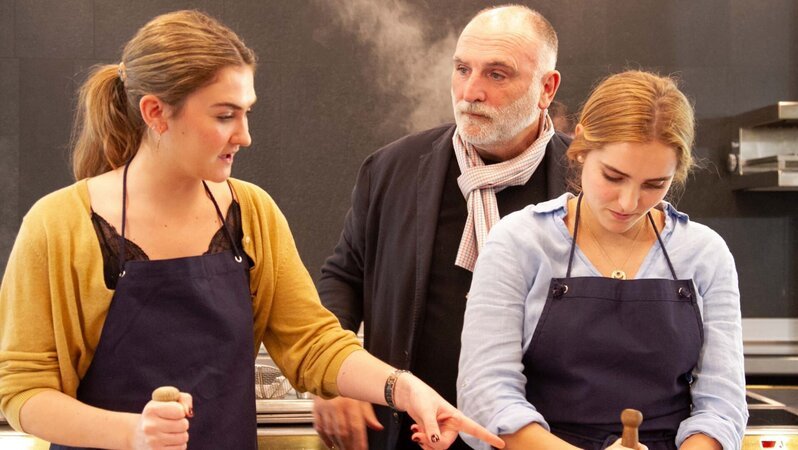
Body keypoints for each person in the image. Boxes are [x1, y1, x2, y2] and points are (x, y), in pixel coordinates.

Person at [0, 10, 504, 450]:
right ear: (155, 113)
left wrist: (402, 386)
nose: (244, 135)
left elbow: (312, 344)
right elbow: (24, 392)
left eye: (246, 112)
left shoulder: (252, 212)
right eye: (224, 116)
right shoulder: (59, 225)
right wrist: (132, 435)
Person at [313, 5, 569, 450]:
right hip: (412, 431)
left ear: (546, 88)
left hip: (543, 434)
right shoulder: (393, 168)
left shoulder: (583, 179)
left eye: (497, 74)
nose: (470, 91)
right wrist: (333, 375)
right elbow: (344, 276)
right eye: (462, 69)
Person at [458, 70, 748, 450]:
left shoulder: (704, 254)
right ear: (580, 148)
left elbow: (722, 406)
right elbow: (485, 397)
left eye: (654, 185)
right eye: (613, 176)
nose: (629, 203)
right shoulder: (520, 242)